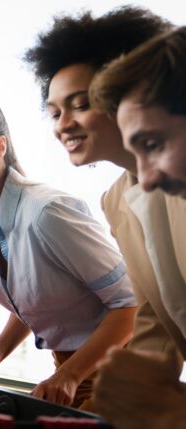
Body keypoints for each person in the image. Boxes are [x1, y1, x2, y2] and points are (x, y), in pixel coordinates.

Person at [23, 5, 184, 417]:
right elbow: (155, 328)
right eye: (55, 111)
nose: (63, 125)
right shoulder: (116, 200)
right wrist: (103, 413)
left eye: (79, 104)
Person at [0, 95, 136, 407]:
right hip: (72, 371)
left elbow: (130, 305)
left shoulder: (47, 212)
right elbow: (33, 304)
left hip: (120, 374)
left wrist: (69, 374)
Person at [87, 26, 186, 429]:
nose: (146, 180)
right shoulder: (120, 200)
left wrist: (170, 414)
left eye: (154, 145)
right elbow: (156, 321)